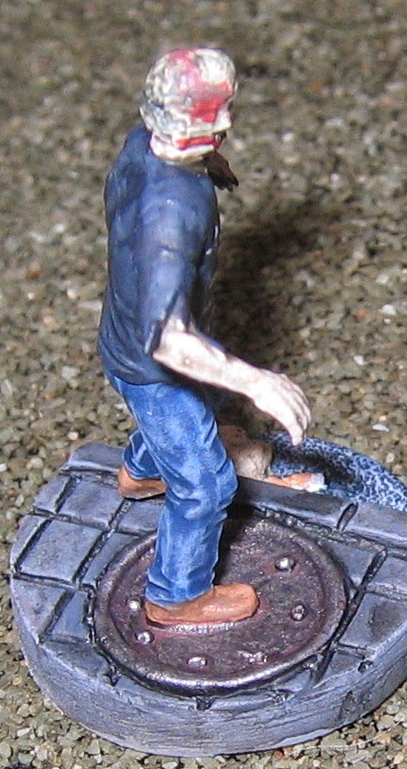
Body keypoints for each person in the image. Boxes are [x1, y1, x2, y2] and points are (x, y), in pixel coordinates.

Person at [100, 48, 311, 626]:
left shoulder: (143, 145)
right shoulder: (170, 215)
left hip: (125, 335)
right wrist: (256, 381)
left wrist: (206, 162)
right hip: (153, 365)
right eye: (212, 115)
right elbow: (169, 341)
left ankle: (141, 471)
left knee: (203, 400)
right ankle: (176, 595)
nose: (226, 122)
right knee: (205, 486)